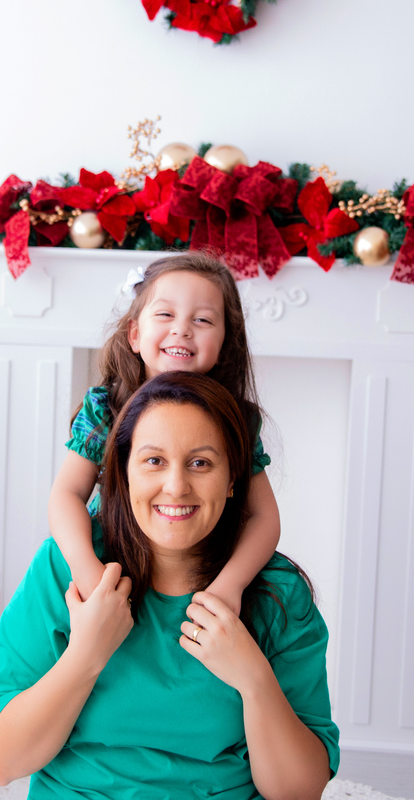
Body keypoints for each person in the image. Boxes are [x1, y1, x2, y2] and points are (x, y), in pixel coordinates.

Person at [0, 371, 338, 799]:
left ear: (233, 480)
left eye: (201, 463)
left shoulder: (277, 591)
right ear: (124, 473)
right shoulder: (63, 567)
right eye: (154, 461)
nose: (176, 487)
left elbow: (298, 792)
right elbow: (3, 763)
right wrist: (85, 654)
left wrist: (253, 679)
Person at [49, 252, 280, 617]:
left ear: (224, 345)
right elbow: (66, 494)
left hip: (199, 570)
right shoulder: (105, 409)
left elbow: (264, 517)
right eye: (165, 314)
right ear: (135, 335)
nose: (182, 329)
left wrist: (230, 585)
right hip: (114, 566)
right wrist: (86, 568)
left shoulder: (237, 420)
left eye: (202, 319)